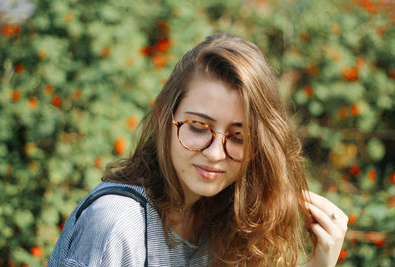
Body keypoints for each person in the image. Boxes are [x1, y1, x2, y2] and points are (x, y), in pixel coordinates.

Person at [47, 33, 348, 267]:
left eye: (239, 137)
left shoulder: (223, 220)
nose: (216, 153)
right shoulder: (117, 224)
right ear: (167, 116)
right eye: (198, 127)